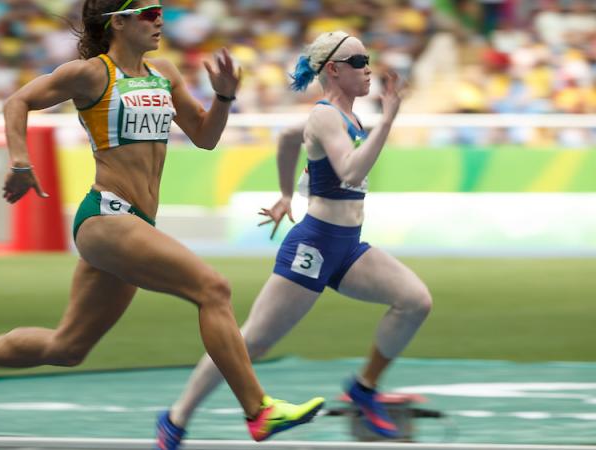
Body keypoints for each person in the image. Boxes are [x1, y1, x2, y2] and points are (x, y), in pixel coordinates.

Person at [0, 0, 324, 444]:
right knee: (212, 288)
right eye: (148, 12)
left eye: (160, 11)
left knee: (68, 348)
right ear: (118, 22)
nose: (159, 18)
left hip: (134, 223)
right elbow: (17, 101)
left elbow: (205, 136)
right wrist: (21, 161)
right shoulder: (91, 74)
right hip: (106, 215)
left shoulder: (165, 75)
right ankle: (258, 411)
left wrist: (223, 97)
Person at [154, 31, 433, 448]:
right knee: (250, 342)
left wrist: (287, 193)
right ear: (334, 70)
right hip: (315, 247)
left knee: (415, 301)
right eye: (359, 61)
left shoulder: (343, 118)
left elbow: (287, 140)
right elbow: (351, 172)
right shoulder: (326, 116)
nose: (369, 68)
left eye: (369, 59)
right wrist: (389, 118)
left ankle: (363, 388)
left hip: (348, 247)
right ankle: (175, 419)